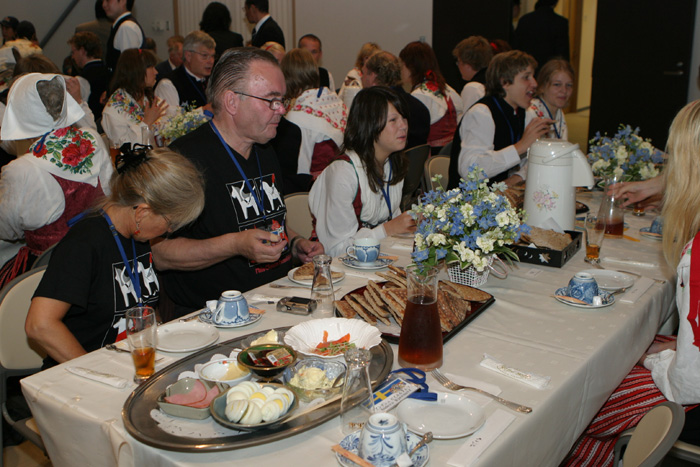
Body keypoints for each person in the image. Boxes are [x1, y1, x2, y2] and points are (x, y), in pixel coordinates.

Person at [565, 100, 700, 465]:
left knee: (588, 397)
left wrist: (655, 360)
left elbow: (688, 384)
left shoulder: (696, 257)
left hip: (694, 400)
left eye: (674, 161)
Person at [151, 47, 323, 315]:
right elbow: (159, 254)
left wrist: (294, 242)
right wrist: (235, 245)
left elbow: (265, 219)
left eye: (282, 100)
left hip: (277, 298)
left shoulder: (264, 149)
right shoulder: (185, 159)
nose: (281, 110)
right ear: (232, 102)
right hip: (216, 314)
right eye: (271, 100)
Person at [25, 146, 205, 369]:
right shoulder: (84, 244)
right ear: (143, 212)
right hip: (84, 375)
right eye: (171, 223)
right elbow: (39, 325)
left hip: (128, 364)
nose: (169, 232)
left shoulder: (137, 236)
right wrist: (95, 372)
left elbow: (143, 303)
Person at [0, 73, 113, 289]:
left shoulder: (20, 170)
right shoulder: (93, 138)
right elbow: (110, 193)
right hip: (100, 259)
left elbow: (8, 231)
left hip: (48, 275)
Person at [309, 86, 416, 257]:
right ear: (370, 124)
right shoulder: (343, 173)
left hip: (376, 260)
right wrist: (387, 229)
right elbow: (336, 249)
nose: (403, 126)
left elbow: (391, 220)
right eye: (393, 120)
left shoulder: (392, 163)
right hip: (337, 270)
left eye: (404, 118)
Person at [447, 50, 552, 189]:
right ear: (505, 82)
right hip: (469, 204)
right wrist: (520, 147)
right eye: (526, 77)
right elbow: (470, 172)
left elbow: (534, 160)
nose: (534, 83)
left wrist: (518, 176)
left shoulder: (524, 112)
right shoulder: (482, 113)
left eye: (533, 76)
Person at [281, 48, 346, 179]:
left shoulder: (297, 116)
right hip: (340, 178)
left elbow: (300, 169)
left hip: (312, 186)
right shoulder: (336, 102)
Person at [399, 41, 463, 152]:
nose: (401, 70)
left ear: (412, 67)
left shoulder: (419, 96)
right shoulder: (447, 89)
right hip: (451, 156)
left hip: (430, 160)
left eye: (403, 65)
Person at [362, 51, 430, 149]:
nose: (361, 78)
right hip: (414, 163)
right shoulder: (420, 107)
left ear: (373, 77)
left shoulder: (375, 109)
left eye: (363, 73)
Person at [102, 48, 168, 147]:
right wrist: (146, 123)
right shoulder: (114, 110)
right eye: (150, 67)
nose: (156, 72)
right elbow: (124, 148)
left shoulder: (146, 97)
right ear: (136, 70)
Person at [155, 31, 215, 116]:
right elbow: (172, 124)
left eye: (212, 56)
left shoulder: (214, 80)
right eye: (204, 56)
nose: (211, 61)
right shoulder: (168, 85)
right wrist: (203, 111)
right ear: (188, 56)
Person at [513, 0, 569, 71]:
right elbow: (563, 55)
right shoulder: (561, 23)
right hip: (549, 71)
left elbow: (516, 49)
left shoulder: (524, 20)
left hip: (526, 69)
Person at [68, 31, 109, 127]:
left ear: (82, 51)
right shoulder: (111, 72)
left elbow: (78, 112)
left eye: (73, 52)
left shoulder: (80, 80)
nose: (73, 57)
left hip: (93, 126)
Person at [528, 59, 574, 140]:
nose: (564, 90)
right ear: (542, 86)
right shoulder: (531, 113)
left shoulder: (559, 112)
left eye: (569, 85)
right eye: (557, 84)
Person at [102, 0, 146, 75]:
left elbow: (130, 69)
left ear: (123, 1)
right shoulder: (123, 25)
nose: (104, 5)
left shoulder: (126, 27)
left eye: (108, 0)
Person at [452, 36, 493, 113]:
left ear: (468, 64)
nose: (458, 66)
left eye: (459, 62)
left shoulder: (473, 88)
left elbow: (466, 121)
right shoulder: (493, 81)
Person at [338, 42, 380, 109]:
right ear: (362, 59)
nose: (369, 61)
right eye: (367, 58)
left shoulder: (377, 75)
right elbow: (342, 98)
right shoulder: (353, 74)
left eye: (372, 58)